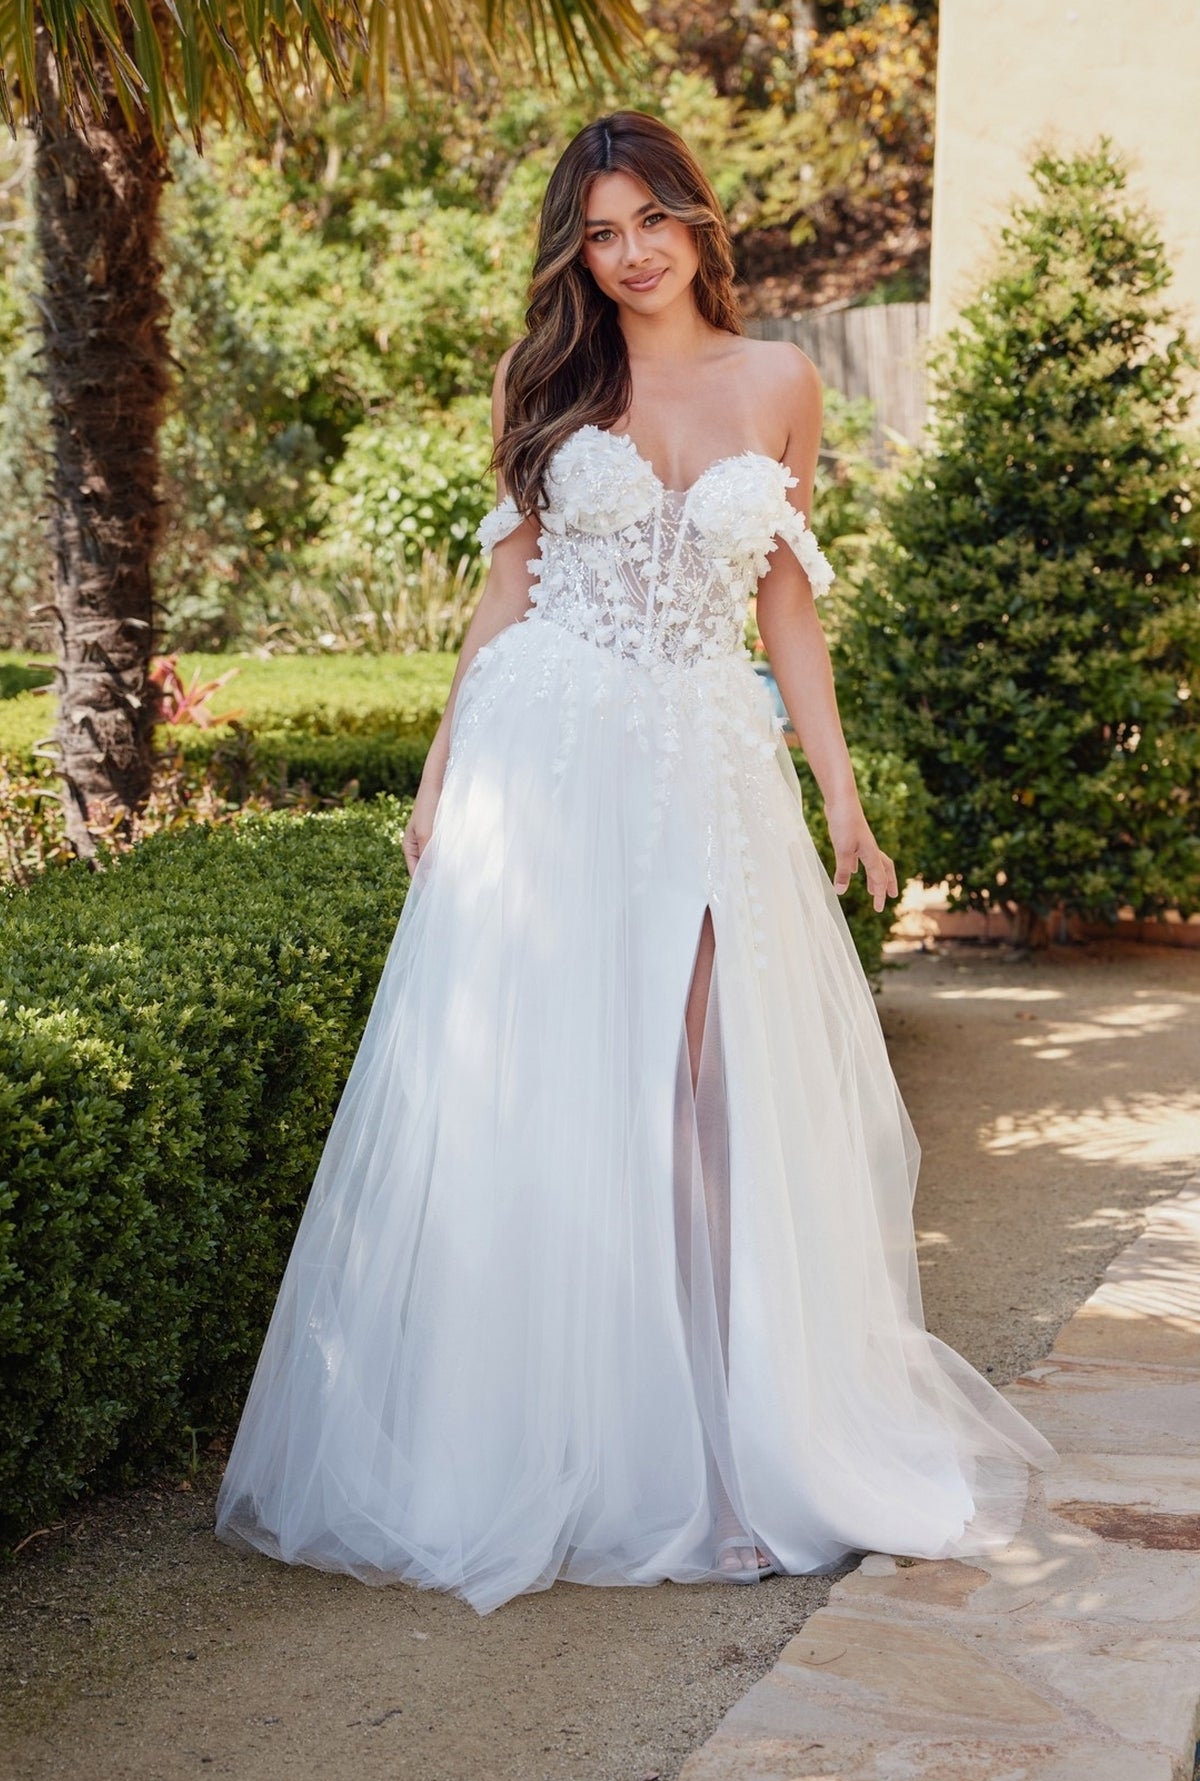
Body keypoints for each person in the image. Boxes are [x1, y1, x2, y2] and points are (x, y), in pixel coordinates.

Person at [215, 111, 1056, 1615]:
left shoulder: (781, 380)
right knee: (570, 1088)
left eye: (650, 218)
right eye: (600, 231)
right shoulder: (549, 379)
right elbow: (505, 597)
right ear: (577, 251)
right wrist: (438, 774)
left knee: (716, 1088)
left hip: (707, 760)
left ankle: (740, 1452)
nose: (631, 251)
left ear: (697, 219)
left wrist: (841, 793)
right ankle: (596, 1451)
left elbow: (789, 609)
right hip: (548, 758)